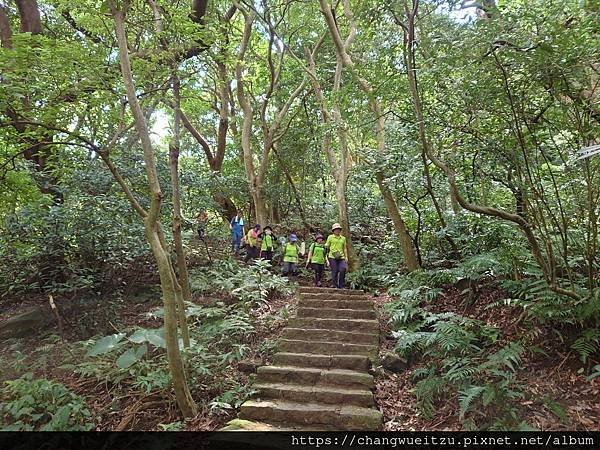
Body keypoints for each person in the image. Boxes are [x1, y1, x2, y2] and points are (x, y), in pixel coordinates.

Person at [325, 223, 348, 289]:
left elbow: (344, 248)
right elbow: (327, 246)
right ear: (333, 230)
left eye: (338, 229)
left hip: (341, 257)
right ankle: (334, 285)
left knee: (342, 269)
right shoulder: (330, 237)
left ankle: (341, 285)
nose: (337, 230)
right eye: (336, 229)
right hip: (332, 256)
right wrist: (326, 246)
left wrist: (346, 257)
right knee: (334, 271)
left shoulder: (343, 238)